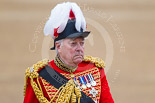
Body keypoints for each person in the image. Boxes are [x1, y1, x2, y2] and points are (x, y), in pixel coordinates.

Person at [23, 2, 114, 103]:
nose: (79, 48)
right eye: (73, 44)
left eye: (82, 43)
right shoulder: (39, 77)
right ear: (59, 46)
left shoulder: (95, 70)